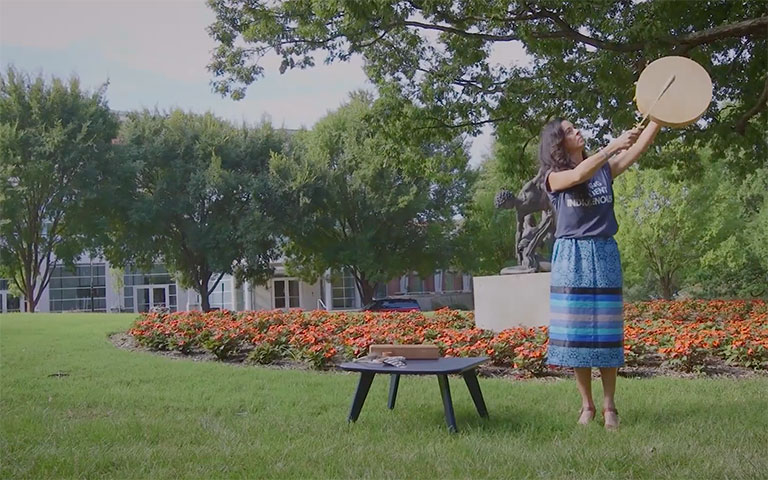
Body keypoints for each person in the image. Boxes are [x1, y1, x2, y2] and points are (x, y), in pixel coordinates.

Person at [541, 118, 661, 430]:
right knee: (577, 335)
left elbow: (636, 150)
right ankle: (587, 406)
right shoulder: (553, 177)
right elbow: (579, 174)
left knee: (607, 334)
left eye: (575, 127)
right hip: (571, 255)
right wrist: (613, 145)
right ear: (558, 143)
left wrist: (658, 119)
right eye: (569, 131)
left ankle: (609, 407)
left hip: (604, 250)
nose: (577, 131)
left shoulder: (604, 170)